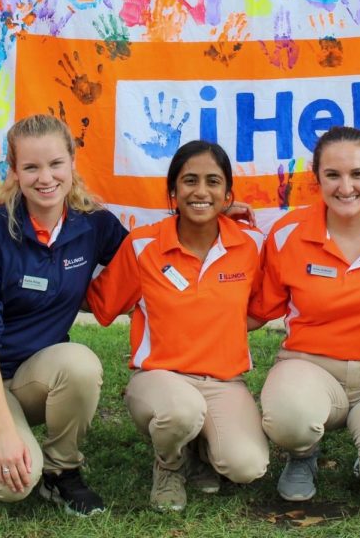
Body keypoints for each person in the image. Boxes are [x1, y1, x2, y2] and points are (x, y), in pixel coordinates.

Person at [0, 115, 126, 515]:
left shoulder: (93, 224)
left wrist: (216, 220)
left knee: (80, 364)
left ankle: (62, 472)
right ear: (14, 172)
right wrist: (3, 433)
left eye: (55, 164)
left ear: (72, 162)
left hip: (32, 374)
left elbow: (150, 255)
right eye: (31, 167)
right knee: (12, 485)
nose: (45, 178)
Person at [249, 126, 360, 517]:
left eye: (357, 174)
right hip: (309, 368)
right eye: (332, 175)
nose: (345, 187)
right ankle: (302, 453)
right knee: (289, 417)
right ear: (317, 180)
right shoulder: (287, 234)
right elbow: (256, 309)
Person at [86, 141, 269, 512]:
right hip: (159, 379)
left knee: (246, 466)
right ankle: (170, 465)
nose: (201, 191)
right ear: (173, 192)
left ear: (227, 193)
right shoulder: (142, 246)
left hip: (223, 382)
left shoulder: (251, 244)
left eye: (213, 182)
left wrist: (216, 325)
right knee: (181, 411)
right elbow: (102, 306)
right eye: (189, 181)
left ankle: (202, 452)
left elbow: (260, 310)